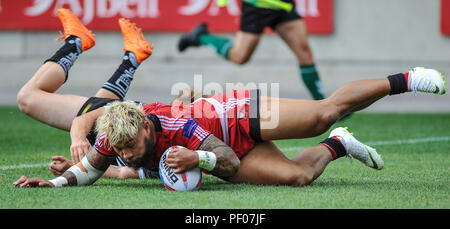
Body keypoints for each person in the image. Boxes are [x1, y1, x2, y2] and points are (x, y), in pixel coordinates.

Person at [13, 9, 448, 188]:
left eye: (130, 147)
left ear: (146, 127)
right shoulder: (118, 138)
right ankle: (340, 144)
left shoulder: (174, 127)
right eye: (119, 148)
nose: (123, 154)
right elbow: (93, 170)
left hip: (234, 119)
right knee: (297, 178)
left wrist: (195, 160)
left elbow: (228, 162)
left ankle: (408, 78)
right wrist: (55, 182)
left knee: (321, 113)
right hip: (214, 148)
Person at [14, 8, 156, 180]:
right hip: (132, 118)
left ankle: (133, 58)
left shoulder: (159, 163)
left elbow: (124, 172)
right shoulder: (175, 141)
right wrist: (78, 139)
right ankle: (76, 42)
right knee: (27, 98)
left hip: (117, 135)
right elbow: (85, 118)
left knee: (96, 125)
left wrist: (77, 167)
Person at [178, 0, 326, 100]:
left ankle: (323, 104)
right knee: (240, 57)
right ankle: (201, 37)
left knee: (305, 53)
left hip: (283, 4)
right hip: (257, 6)